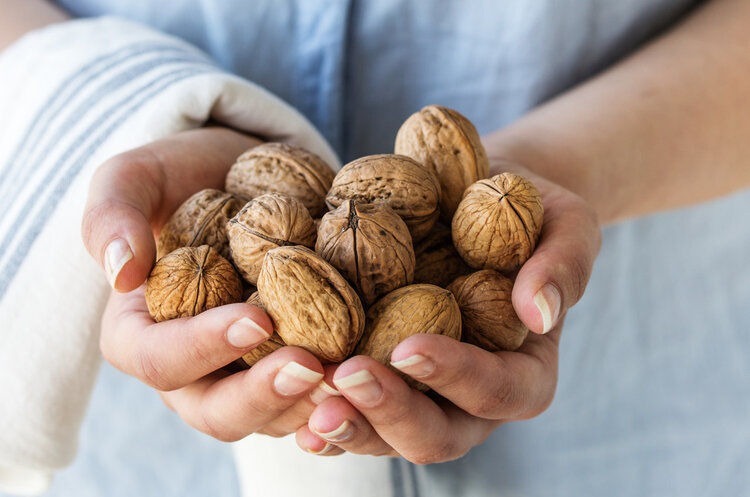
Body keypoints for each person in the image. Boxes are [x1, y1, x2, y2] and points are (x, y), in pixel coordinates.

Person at [1, 0, 749, 495]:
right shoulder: (247, 242)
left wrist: (566, 164)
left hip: (626, 392)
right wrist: (123, 117)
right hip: (148, 449)